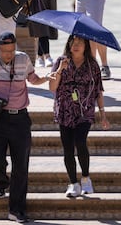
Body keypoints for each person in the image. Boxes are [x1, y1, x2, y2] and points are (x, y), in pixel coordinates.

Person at [0, 31, 53, 223]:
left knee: (21, 167)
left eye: (12, 50)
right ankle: (1, 183)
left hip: (20, 118)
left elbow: (32, 78)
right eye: (5, 51)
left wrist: (47, 78)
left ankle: (16, 210)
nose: (9, 54)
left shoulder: (23, 59)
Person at [49, 35, 110, 197]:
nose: (75, 46)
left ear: (85, 46)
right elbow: (52, 87)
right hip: (65, 110)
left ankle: (85, 178)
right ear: (68, 45)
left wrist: (103, 114)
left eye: (80, 43)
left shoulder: (92, 65)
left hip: (85, 110)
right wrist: (60, 70)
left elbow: (99, 91)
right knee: (68, 148)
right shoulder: (61, 61)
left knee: (80, 141)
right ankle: (73, 183)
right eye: (73, 43)